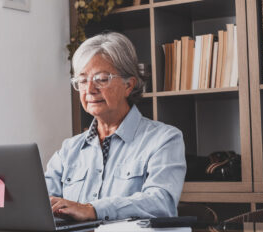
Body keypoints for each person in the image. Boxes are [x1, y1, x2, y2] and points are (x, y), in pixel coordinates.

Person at [45, 32, 186, 222]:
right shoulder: (68, 151)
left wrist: (92, 209)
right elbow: (41, 206)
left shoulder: (164, 139)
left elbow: (161, 203)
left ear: (129, 85)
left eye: (101, 79)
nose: (89, 90)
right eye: (83, 80)